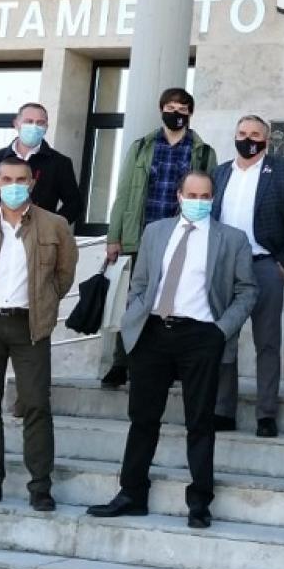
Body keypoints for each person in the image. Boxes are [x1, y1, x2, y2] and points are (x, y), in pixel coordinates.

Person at [87, 171, 256, 529]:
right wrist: (136, 315)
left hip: (201, 336)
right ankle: (132, 493)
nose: (199, 200)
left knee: (200, 422)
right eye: (192, 193)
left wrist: (220, 331)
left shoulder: (233, 239)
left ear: (214, 198)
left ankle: (199, 502)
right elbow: (142, 281)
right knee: (143, 419)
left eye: (206, 195)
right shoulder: (155, 231)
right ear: (178, 195)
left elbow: (247, 291)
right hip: (153, 333)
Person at [0, 156, 78, 511]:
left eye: (20, 178)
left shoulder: (54, 226)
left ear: (32, 182)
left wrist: (44, 301)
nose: (13, 184)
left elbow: (63, 276)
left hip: (30, 324)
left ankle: (40, 486)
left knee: (36, 403)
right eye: (6, 179)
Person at [0, 103, 83, 416]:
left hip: (33, 258)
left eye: (41, 122)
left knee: (30, 338)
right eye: (30, 120)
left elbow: (74, 202)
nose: (35, 126)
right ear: (16, 123)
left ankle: (26, 396)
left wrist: (49, 231)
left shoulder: (58, 163)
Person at [100, 88, 217, 389]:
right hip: (143, 236)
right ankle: (120, 362)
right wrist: (115, 237)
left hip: (185, 237)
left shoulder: (202, 152)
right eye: (169, 106)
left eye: (181, 108)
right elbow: (124, 192)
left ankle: (173, 362)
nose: (175, 112)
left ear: (190, 113)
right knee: (134, 301)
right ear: (161, 109)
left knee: (177, 299)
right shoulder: (142, 147)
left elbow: (211, 196)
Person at [211, 115, 284, 437]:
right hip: (225, 267)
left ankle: (266, 414)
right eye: (242, 133)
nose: (247, 138)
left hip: (266, 264)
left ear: (266, 139)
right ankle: (223, 410)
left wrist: (283, 264)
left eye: (254, 134)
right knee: (224, 338)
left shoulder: (283, 172)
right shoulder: (220, 172)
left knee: (267, 341)